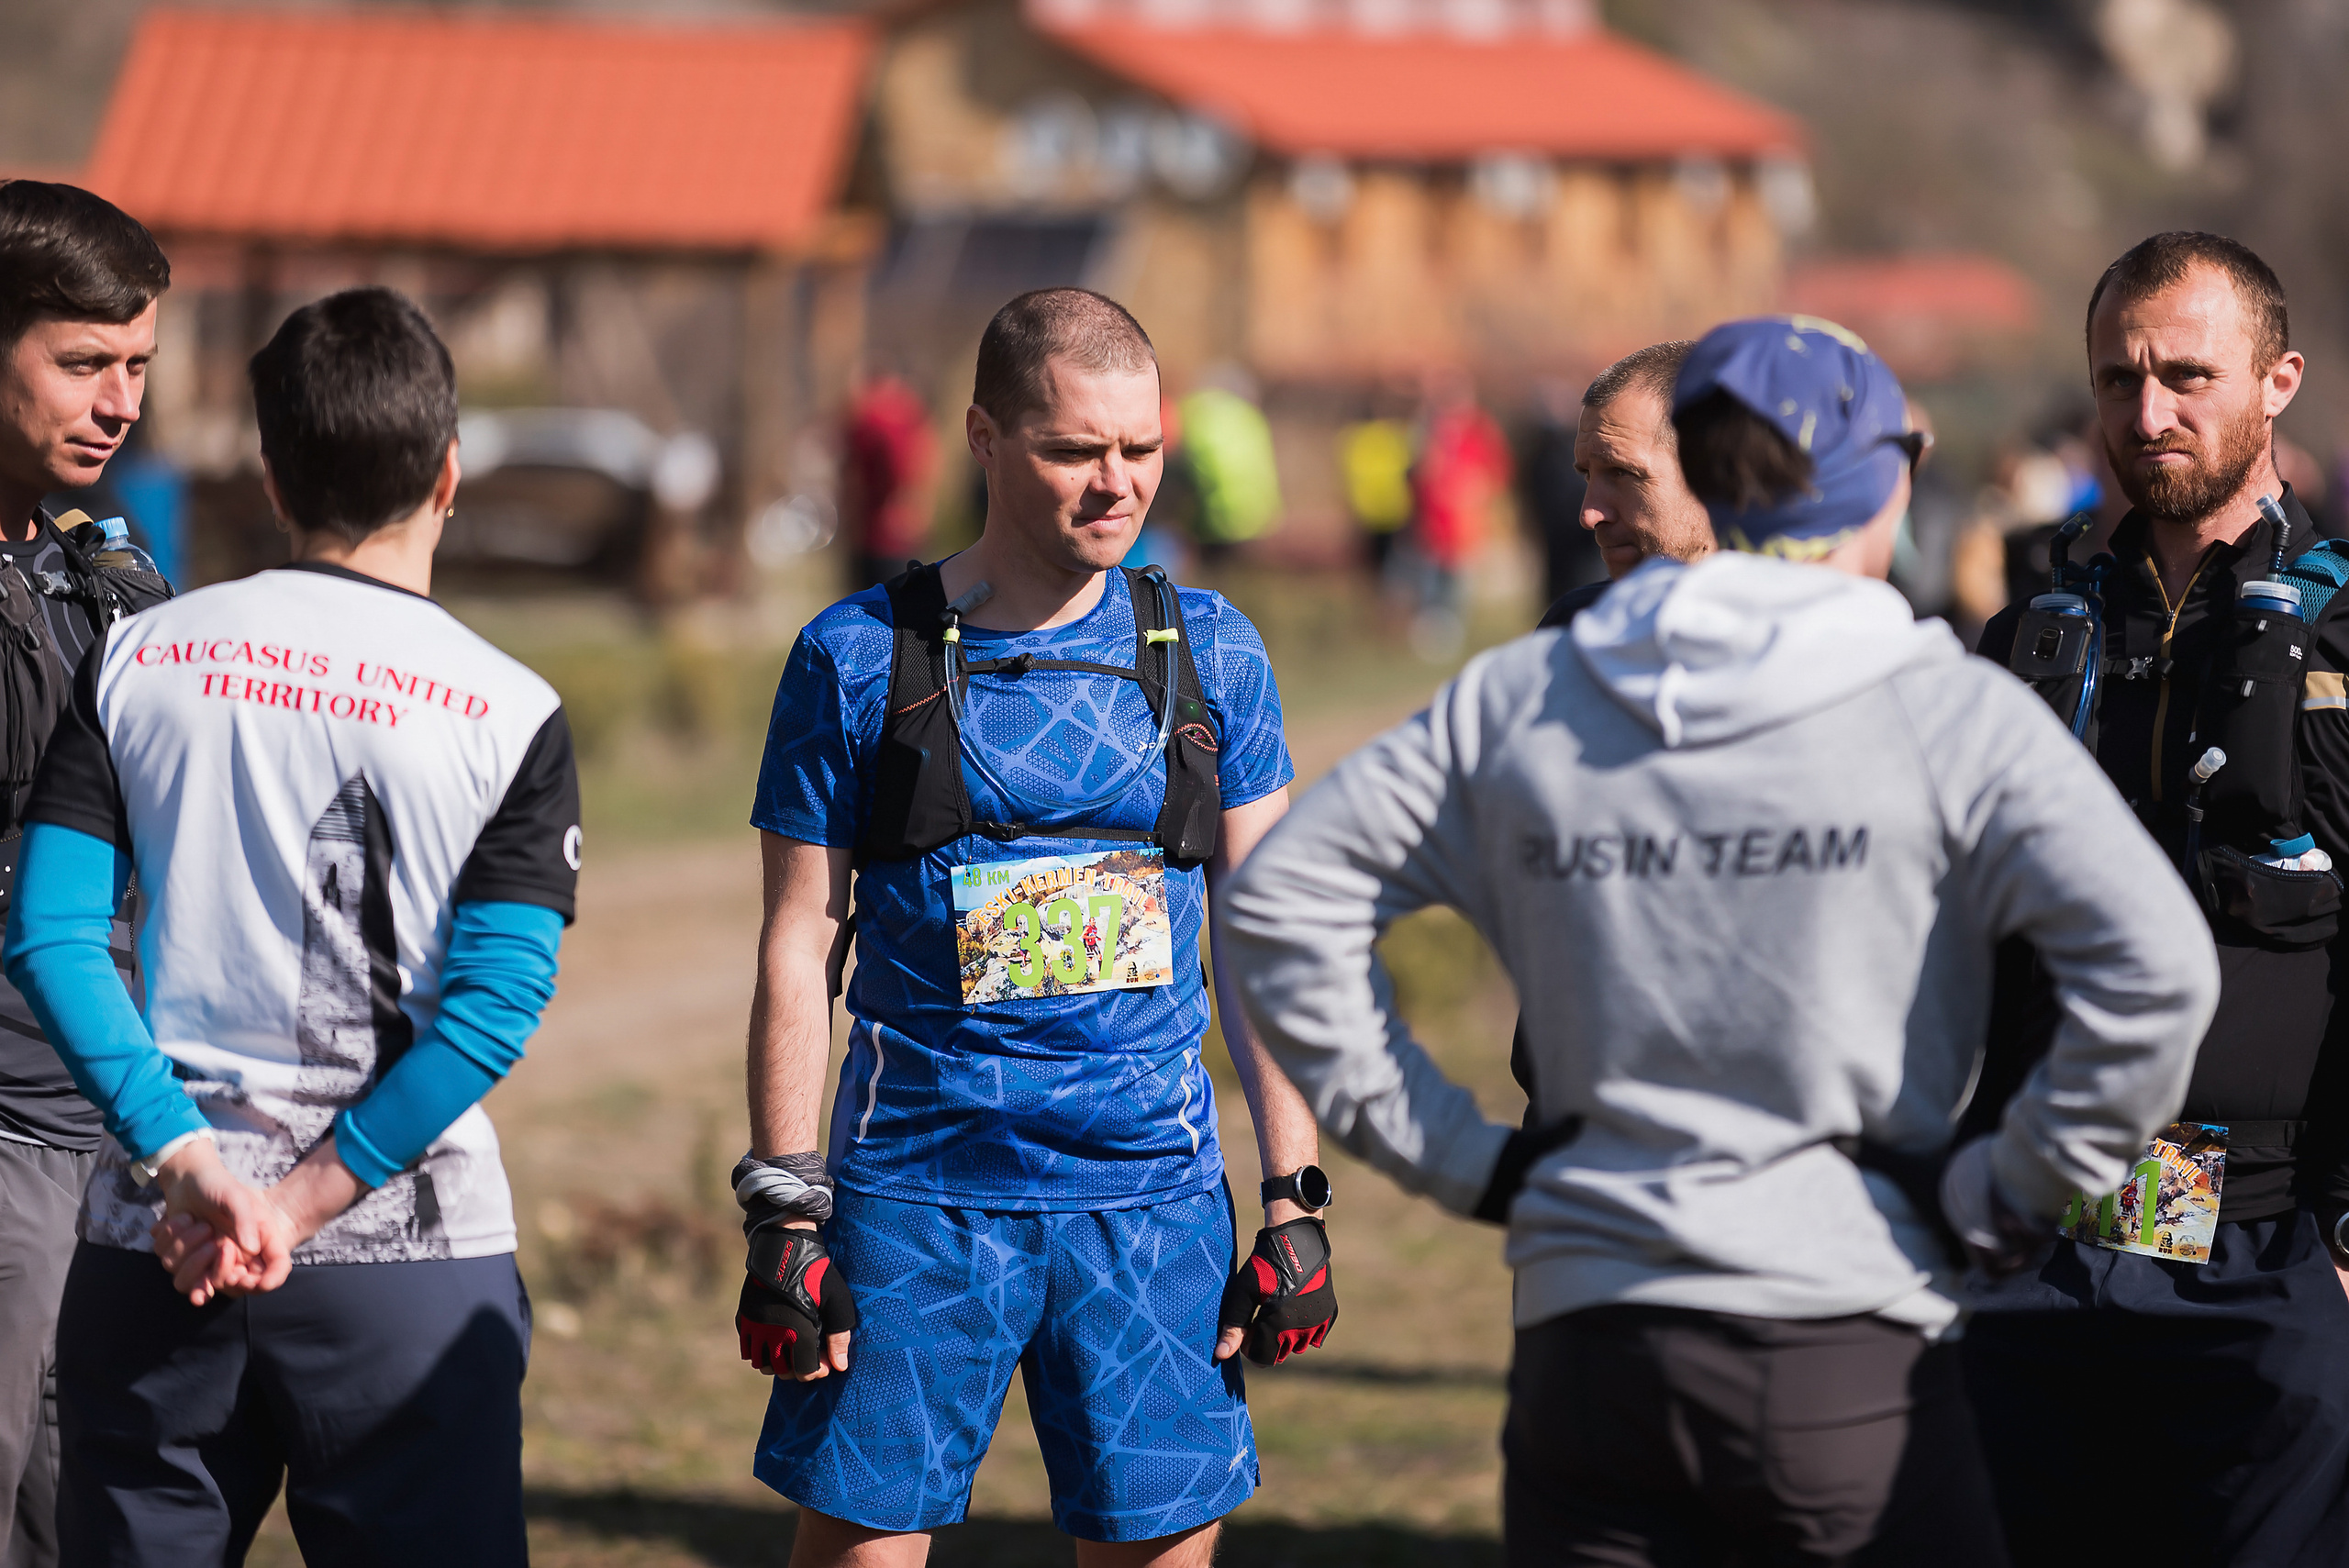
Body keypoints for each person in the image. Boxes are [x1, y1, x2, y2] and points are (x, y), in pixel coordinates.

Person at [1219, 316, 2221, 1568]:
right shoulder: (1942, 704)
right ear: (1886, 483)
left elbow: (1276, 905)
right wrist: (2007, 1184)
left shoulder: (1530, 691)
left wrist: (1462, 1157)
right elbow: (2162, 972)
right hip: (1847, 1336)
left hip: (1592, 1343)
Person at [740, 287, 1335, 1568]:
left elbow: (1266, 941)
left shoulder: (1214, 656)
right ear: (984, 437)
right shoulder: (852, 656)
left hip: (1151, 1203)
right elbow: (799, 942)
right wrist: (786, 1212)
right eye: (1076, 449)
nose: (1116, 483)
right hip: (916, 1198)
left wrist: (1292, 1195)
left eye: (1141, 447)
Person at [1, 286, 580, 1566]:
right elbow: (491, 1011)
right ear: (449, 472)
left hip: (157, 1249)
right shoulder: (513, 709)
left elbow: (49, 939)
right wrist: (305, 1202)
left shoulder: (137, 656)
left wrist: (195, 1170)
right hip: (409, 1270)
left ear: (269, 475)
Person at [1967, 232, 2349, 1566]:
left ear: (2279, 379)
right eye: (2119, 377)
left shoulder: (2344, 641)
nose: (2149, 413)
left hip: (2274, 1258)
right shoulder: (2026, 639)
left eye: (2188, 374)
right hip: (2036, 1254)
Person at [0, 178, 176, 1568]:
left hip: (105, 1124)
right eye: (80, 364)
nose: (117, 402)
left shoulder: (89, 572)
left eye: (137, 367)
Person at [1536, 340, 1710, 630]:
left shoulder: (1801, 637)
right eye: (1587, 476)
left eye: (1621, 473)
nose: (1589, 515)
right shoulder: (1575, 628)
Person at [841, 373, 937, 592]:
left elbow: (899, 470)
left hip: (880, 536)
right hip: (895, 534)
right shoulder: (912, 414)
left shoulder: (875, 419)